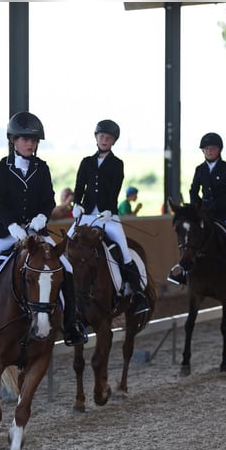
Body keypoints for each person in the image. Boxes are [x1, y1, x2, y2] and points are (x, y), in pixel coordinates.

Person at [0, 111, 86, 347]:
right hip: (5, 232)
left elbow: (48, 198)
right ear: (13, 140)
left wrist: (42, 215)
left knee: (67, 268)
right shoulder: (1, 167)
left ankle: (71, 324)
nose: (30, 144)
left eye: (34, 141)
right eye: (25, 139)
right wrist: (11, 225)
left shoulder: (42, 168)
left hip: (35, 234)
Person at [70, 119, 151, 315]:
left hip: (108, 216)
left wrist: (108, 209)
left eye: (108, 137)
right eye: (102, 136)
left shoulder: (117, 164)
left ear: (113, 141)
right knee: (67, 246)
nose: (104, 139)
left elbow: (115, 189)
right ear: (96, 138)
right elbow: (80, 186)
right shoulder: (86, 162)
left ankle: (138, 293)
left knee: (123, 249)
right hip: (87, 215)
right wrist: (76, 204)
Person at [169, 132, 226, 286]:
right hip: (206, 213)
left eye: (212, 148)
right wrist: (197, 207)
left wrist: (213, 207)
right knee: (191, 236)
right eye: (206, 149)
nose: (209, 151)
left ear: (219, 149)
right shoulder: (200, 169)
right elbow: (193, 190)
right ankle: (184, 273)